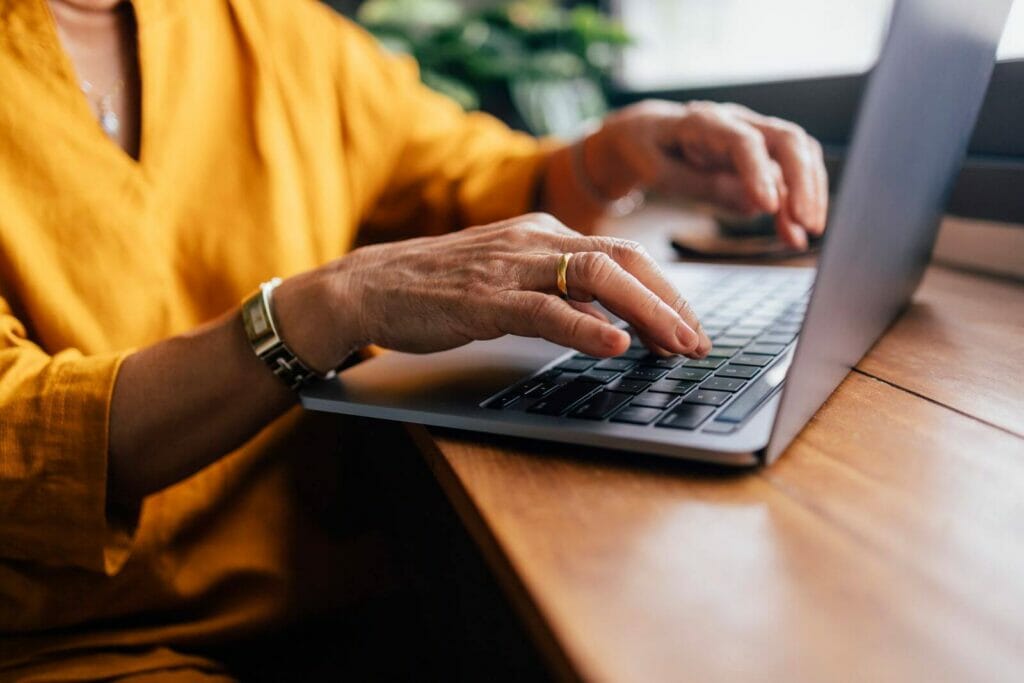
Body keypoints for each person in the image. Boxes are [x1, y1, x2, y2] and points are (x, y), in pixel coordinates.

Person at [0, 0, 828, 678]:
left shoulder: (275, 30)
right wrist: (327, 305)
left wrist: (610, 158)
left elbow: (460, 179)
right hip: (83, 645)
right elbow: (20, 437)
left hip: (359, 580)